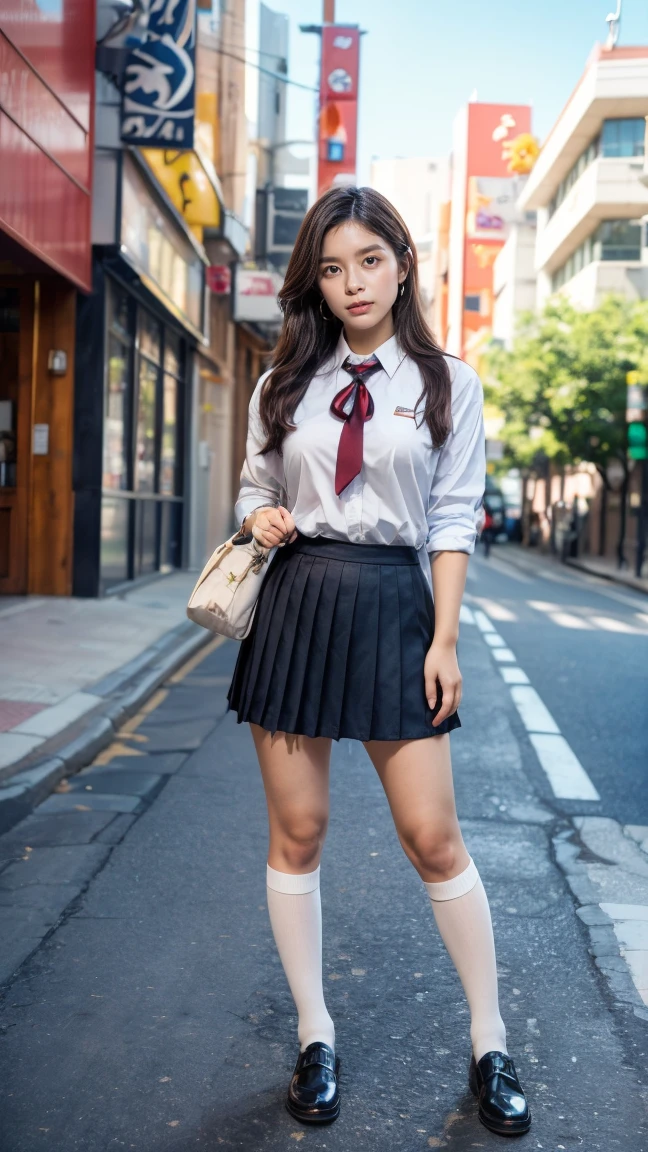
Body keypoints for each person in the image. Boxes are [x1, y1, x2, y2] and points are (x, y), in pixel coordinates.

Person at [225, 186, 531, 1137]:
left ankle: (491, 1041)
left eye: (368, 260)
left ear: (402, 261)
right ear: (314, 281)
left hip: (398, 606)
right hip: (299, 600)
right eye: (330, 267)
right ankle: (315, 1034)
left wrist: (444, 639)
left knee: (432, 836)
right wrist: (259, 515)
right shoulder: (284, 383)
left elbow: (450, 520)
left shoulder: (449, 382)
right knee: (300, 833)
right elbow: (253, 485)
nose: (352, 283)